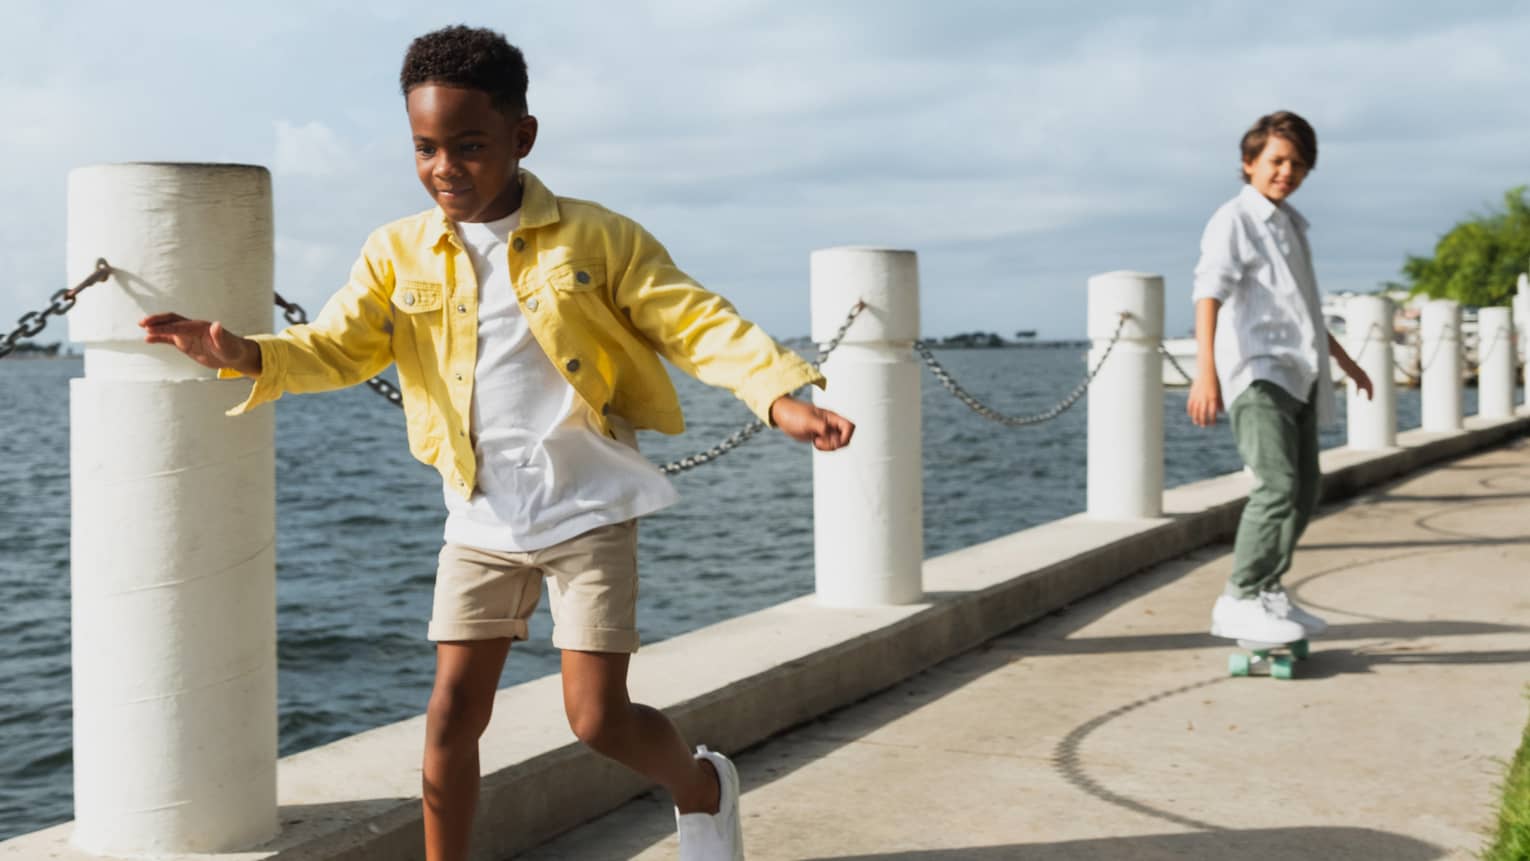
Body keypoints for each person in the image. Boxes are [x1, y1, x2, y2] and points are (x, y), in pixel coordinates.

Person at [140, 25, 854, 861]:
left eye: (469, 146)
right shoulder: (394, 251)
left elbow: (692, 319)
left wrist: (778, 395)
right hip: (480, 518)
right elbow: (337, 346)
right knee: (448, 715)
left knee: (597, 718)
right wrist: (246, 353)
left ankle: (702, 786)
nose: (445, 169)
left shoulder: (596, 237)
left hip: (587, 508)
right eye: (425, 148)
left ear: (522, 138)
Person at [1186, 110, 1372, 644]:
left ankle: (1268, 588)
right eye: (1276, 161)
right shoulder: (1235, 220)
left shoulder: (1291, 225)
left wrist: (1348, 362)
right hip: (1258, 372)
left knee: (1307, 488)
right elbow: (1209, 293)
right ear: (1249, 164)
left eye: (1297, 164)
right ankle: (1239, 597)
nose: (1286, 171)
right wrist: (1206, 375)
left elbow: (1304, 309)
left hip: (1301, 371)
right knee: (1276, 485)